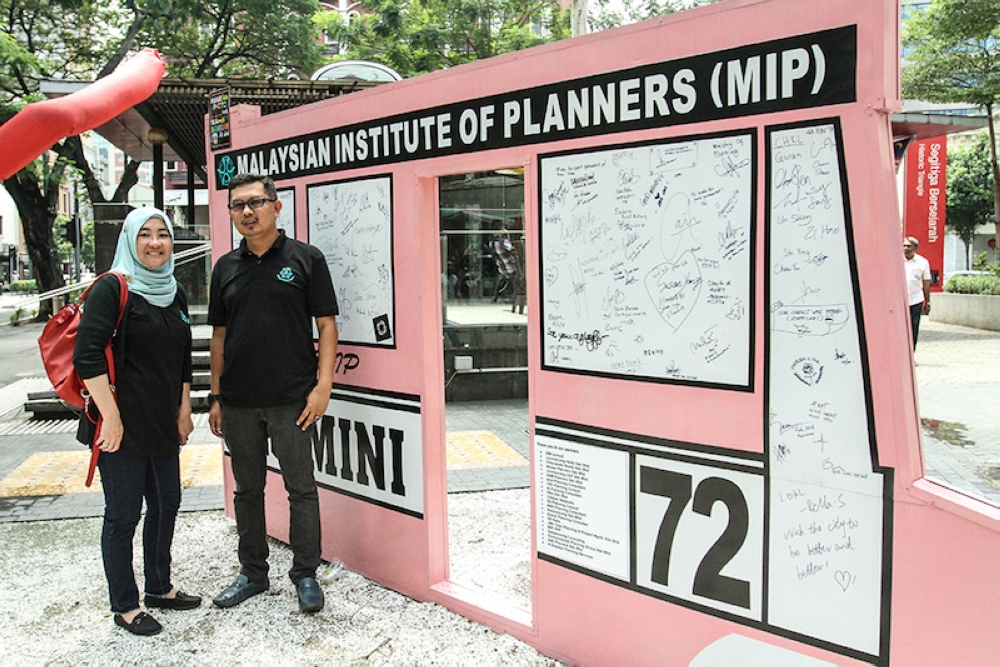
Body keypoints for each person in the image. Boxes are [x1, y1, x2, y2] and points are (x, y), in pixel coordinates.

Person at [208, 174, 339, 614]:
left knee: (301, 489)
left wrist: (323, 387)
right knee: (247, 491)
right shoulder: (224, 267)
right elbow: (219, 337)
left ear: (276, 207)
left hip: (293, 401)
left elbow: (325, 325)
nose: (247, 212)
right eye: (238, 205)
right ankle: (252, 573)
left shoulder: (306, 259)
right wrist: (215, 396)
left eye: (257, 203)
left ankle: (305, 574)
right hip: (240, 402)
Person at [74, 208, 200, 636]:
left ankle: (159, 587)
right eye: (144, 234)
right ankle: (125, 605)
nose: (155, 243)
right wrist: (109, 417)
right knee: (124, 515)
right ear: (129, 239)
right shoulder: (113, 288)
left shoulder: (173, 291)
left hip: (162, 422)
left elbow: (183, 357)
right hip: (120, 425)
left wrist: (184, 409)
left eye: (162, 234)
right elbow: (86, 356)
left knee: (166, 506)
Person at [903, 236, 931, 349]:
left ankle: (911, 354)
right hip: (901, 300)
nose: (906, 248)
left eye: (909, 246)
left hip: (916, 299)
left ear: (915, 248)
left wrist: (928, 301)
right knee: (901, 328)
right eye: (904, 245)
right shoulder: (897, 260)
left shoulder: (923, 262)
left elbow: (926, 283)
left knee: (914, 327)